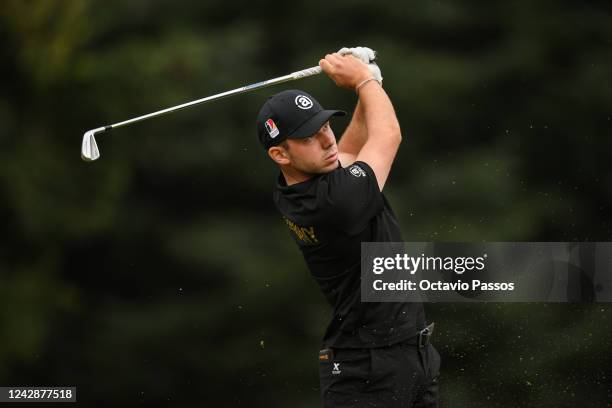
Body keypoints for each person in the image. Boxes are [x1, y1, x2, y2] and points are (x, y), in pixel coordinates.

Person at [256, 47, 440, 408]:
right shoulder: (336, 203)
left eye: (325, 126)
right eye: (309, 136)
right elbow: (388, 136)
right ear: (280, 154)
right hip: (369, 370)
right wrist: (364, 81)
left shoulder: (302, 186)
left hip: (401, 357)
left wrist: (368, 86)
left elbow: (350, 150)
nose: (327, 140)